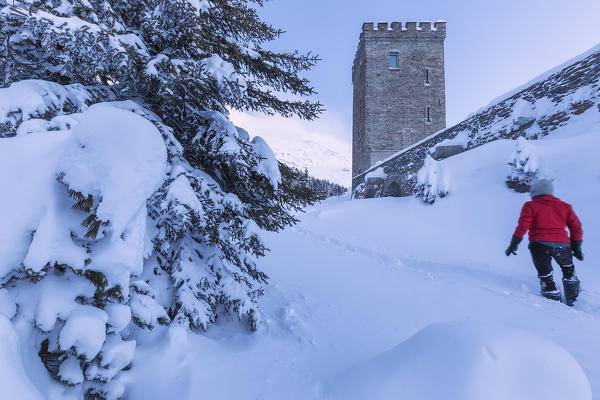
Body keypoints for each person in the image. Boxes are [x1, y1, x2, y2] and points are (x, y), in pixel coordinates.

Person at [505, 179, 583, 306]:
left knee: (545, 274)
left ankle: (552, 301)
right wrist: (576, 247)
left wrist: (514, 243)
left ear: (535, 191)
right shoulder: (564, 206)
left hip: (539, 245)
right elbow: (576, 227)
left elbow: (523, 226)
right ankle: (575, 299)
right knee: (568, 270)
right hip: (562, 245)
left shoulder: (530, 206)